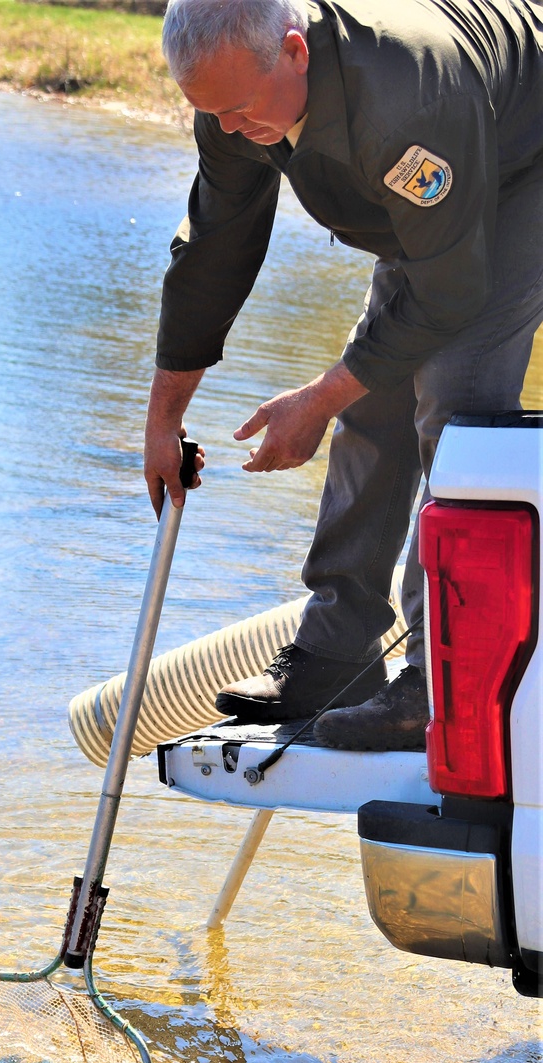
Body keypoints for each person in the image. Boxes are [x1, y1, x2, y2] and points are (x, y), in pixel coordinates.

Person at [146, 0, 543, 749]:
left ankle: (437, 684)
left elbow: (450, 291)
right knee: (377, 396)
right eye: (211, 113)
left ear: (295, 51)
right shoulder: (235, 99)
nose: (229, 129)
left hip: (529, 156)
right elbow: (211, 255)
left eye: (238, 109)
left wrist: (320, 399)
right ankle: (336, 652)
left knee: (453, 401)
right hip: (444, 166)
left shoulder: (409, 100)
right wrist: (162, 419)